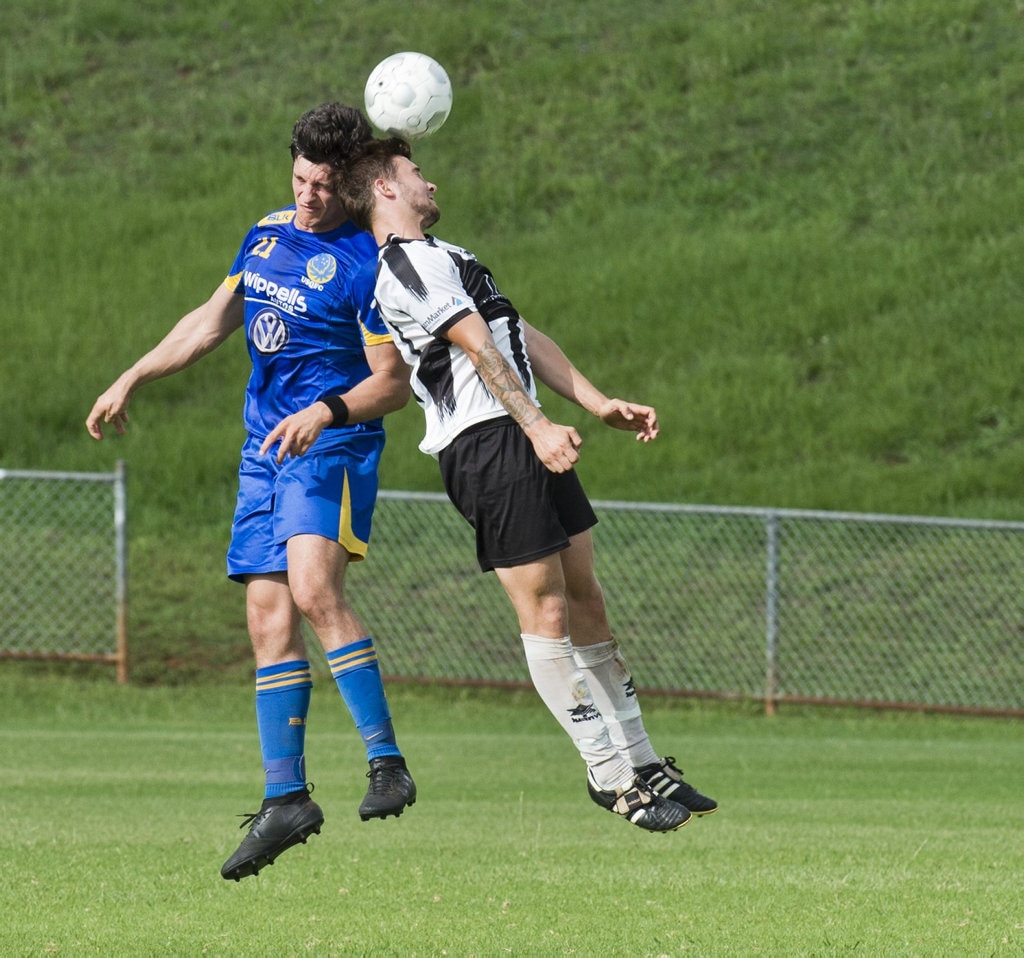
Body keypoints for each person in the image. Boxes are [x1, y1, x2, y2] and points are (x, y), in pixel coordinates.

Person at [315, 136, 718, 831]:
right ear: (384, 189)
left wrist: (594, 402)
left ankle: (643, 758)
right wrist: (535, 427)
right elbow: (473, 345)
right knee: (548, 614)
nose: (429, 180)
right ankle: (609, 773)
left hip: (522, 429)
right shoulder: (403, 267)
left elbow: (516, 334)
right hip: (486, 444)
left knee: (588, 601)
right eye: (415, 173)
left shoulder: (453, 257)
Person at [85, 104, 417, 881]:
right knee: (266, 615)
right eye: (299, 179)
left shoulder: (369, 264)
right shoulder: (267, 233)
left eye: (324, 187)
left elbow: (393, 385)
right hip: (264, 452)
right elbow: (210, 321)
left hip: (330, 441)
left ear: (354, 185)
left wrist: (322, 412)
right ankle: (286, 798)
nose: (307, 197)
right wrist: (134, 372)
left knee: (309, 588)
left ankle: (386, 762)